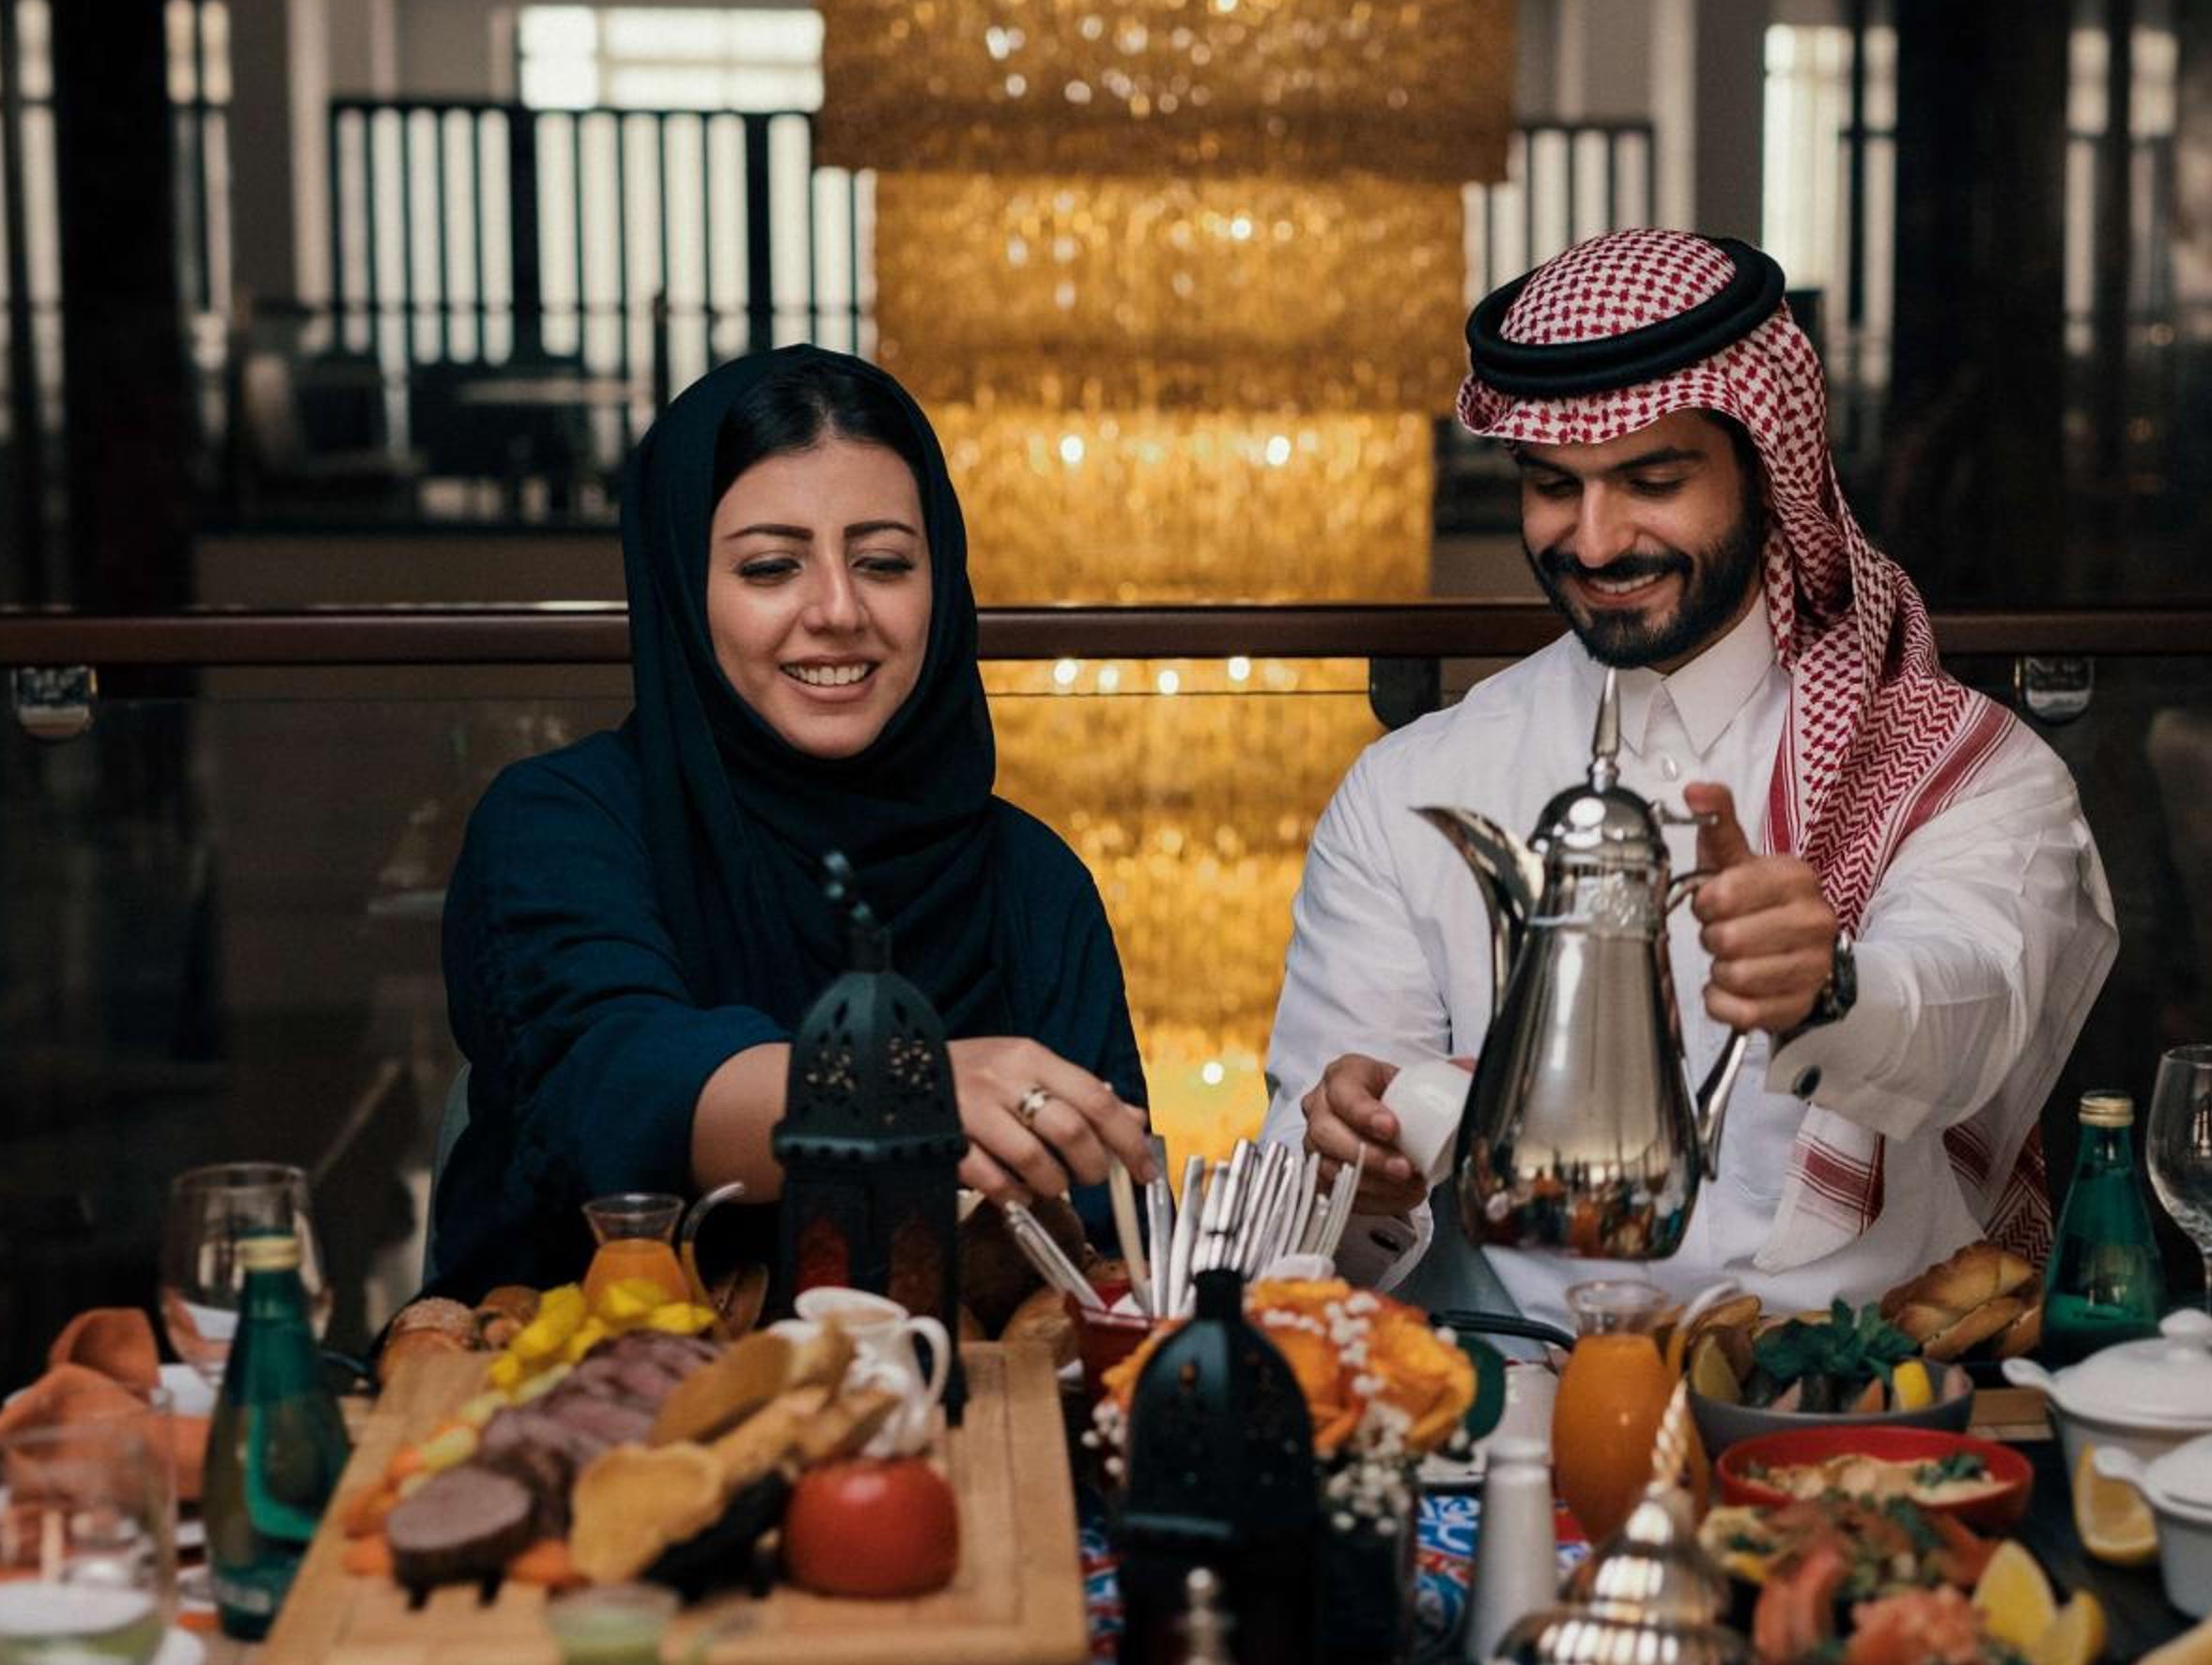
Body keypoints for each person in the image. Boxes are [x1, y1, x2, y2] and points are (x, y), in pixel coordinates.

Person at [1266, 231, 2117, 1323]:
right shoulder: (1409, 791)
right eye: (1552, 486)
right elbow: (1304, 1214)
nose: (1594, 541)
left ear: (1770, 468)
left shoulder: (1961, 768)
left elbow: (1970, 1014)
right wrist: (1354, 1174)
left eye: (1654, 480)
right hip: (1521, 1390)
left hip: (1860, 1382)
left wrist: (1829, 990)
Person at [432, 347, 1152, 1301]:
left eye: (884, 563)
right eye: (771, 567)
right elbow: (613, 1086)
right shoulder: (561, 825)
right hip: (591, 1376)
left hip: (968, 1389)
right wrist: (894, 1096)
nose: (839, 610)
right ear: (683, 589)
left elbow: (1111, 1242)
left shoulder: (1032, 881)